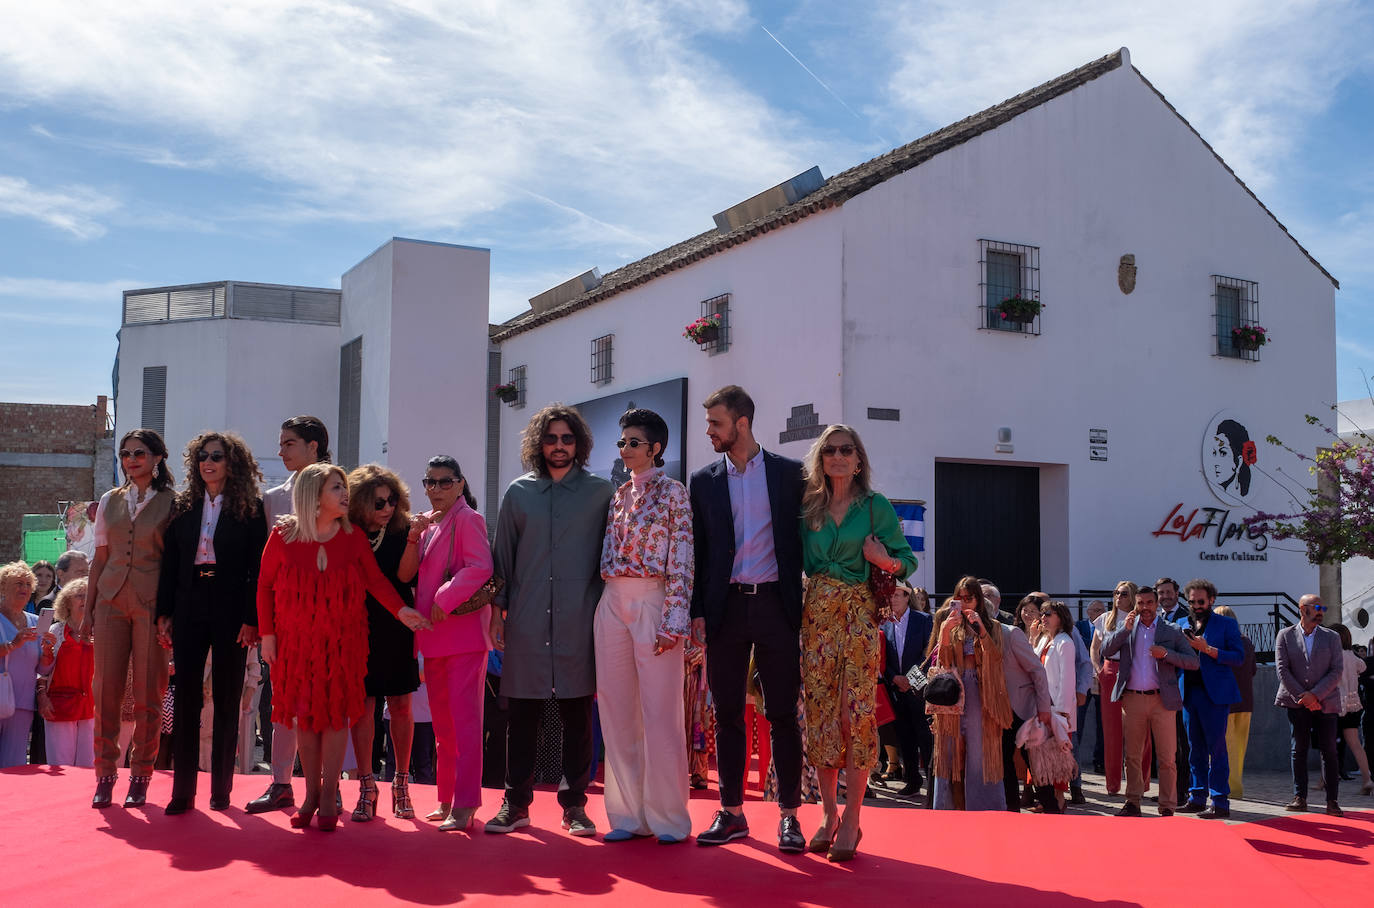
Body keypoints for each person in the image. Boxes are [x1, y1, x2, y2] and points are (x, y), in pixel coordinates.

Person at [257, 463, 429, 830]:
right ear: (313, 496)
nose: (345, 493)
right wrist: (268, 635)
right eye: (336, 488)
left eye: (343, 487)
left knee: (336, 716)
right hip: (296, 643)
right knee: (306, 717)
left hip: (344, 641)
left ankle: (331, 796)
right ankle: (311, 796)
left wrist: (402, 612)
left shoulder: (351, 537)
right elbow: (264, 586)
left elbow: (376, 581)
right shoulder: (283, 535)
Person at [688, 386, 808, 852]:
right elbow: (699, 551)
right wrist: (698, 610)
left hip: (778, 606)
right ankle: (732, 812)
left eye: (715, 423)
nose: (709, 432)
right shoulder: (703, 481)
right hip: (726, 609)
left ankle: (790, 817)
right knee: (726, 715)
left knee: (782, 715)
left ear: (741, 423)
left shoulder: (790, 475)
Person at [485, 404, 612, 837]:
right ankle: (515, 803)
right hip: (526, 618)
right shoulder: (518, 493)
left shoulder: (600, 492)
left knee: (579, 716)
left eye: (567, 438)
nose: (559, 446)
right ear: (538, 443)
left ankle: (575, 805)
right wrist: (497, 613)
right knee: (521, 716)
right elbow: (502, 558)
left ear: (579, 443)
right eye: (551, 438)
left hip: (581, 617)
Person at [798, 424, 916, 861]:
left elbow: (907, 561)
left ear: (859, 458)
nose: (838, 456)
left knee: (855, 715)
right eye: (830, 450)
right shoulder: (808, 505)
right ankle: (828, 814)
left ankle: (853, 818)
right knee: (823, 717)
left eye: (847, 449)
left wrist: (879, 558)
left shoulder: (874, 506)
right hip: (817, 621)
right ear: (821, 458)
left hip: (859, 619)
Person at [595, 408, 695, 844]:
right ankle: (626, 817)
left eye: (633, 442)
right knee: (616, 712)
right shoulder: (617, 495)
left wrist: (674, 619)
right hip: (612, 600)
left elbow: (683, 558)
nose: (624, 449)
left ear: (655, 448)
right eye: (621, 442)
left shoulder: (674, 493)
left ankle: (669, 819)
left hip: (655, 601)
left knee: (661, 714)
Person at [158, 432, 268, 815]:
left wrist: (252, 618)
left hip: (231, 608)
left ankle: (221, 791)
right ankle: (182, 793)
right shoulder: (184, 505)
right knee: (187, 699)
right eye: (203, 456)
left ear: (230, 462)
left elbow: (258, 568)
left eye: (217, 456)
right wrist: (165, 614)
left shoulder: (250, 508)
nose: (208, 462)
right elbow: (170, 565)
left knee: (226, 701)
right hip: (189, 605)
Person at [247, 415, 333, 815]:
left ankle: (330, 785)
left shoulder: (340, 489)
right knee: (285, 701)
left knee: (331, 701)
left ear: (314, 446)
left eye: (289, 443)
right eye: (280, 443)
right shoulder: (272, 499)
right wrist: (264, 625)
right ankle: (282, 782)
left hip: (334, 616)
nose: (280, 451)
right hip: (286, 617)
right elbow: (264, 572)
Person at [87, 428, 176, 808]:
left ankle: (140, 775)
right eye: (125, 453)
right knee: (105, 689)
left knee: (148, 692)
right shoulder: (110, 500)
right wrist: (89, 609)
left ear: (157, 457)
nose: (131, 459)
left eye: (140, 452)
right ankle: (105, 774)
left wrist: (170, 612)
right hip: (110, 600)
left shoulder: (175, 501)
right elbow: (100, 558)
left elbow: (175, 564)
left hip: (152, 604)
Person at [405, 455, 494, 832]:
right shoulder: (426, 524)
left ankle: (467, 802)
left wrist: (444, 597)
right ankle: (447, 798)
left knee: (465, 723)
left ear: (460, 484)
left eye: (444, 482)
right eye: (429, 482)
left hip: (462, 637)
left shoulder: (469, 519)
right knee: (443, 725)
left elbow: (481, 566)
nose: (436, 489)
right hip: (433, 638)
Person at [341, 464, 422, 821]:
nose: (387, 507)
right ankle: (366, 785)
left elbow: (406, 576)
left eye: (392, 500)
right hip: (357, 624)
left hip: (397, 621)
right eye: (378, 502)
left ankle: (401, 783)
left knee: (401, 706)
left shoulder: (403, 528)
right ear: (360, 502)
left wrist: (413, 538)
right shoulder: (346, 531)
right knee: (362, 707)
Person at [1099, 585, 1197, 817]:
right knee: (1131, 755)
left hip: (1162, 701)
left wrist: (1166, 654)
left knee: (1167, 757)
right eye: (1140, 603)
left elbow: (1193, 662)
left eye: (1149, 603)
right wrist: (1124, 629)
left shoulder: (1171, 630)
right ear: (1136, 605)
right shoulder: (1127, 628)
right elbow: (1105, 649)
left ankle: (1167, 806)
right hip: (1132, 699)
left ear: (1156, 604)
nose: (1145, 608)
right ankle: (1132, 802)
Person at [931, 581, 1012, 813]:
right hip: (952, 690)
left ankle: (985, 809)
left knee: (980, 754)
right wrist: (945, 632)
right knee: (948, 752)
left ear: (978, 600)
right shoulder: (948, 624)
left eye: (969, 598)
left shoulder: (993, 626)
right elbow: (941, 662)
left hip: (980, 690)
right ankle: (946, 809)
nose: (964, 602)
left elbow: (996, 659)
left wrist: (982, 631)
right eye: (960, 597)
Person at [1177, 578, 1243, 818]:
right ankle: (1196, 797)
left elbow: (1238, 657)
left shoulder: (1226, 624)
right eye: (1192, 601)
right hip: (1188, 693)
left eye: (1201, 601)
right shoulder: (1180, 622)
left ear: (1212, 600)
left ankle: (1220, 801)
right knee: (1194, 748)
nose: (1196, 605)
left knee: (1216, 749)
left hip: (1215, 695)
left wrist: (1209, 650)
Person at [1274, 594, 1344, 816]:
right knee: (1299, 749)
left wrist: (1315, 695)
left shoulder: (1332, 637)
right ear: (1303, 609)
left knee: (1329, 751)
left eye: (1323, 606)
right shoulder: (1285, 635)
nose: (1321, 611)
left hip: (1326, 701)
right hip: (1297, 702)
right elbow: (1282, 670)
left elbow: (1336, 670)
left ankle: (1332, 801)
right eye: (1317, 607)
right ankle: (1299, 797)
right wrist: (1303, 697)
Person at [998, 592, 1056, 814]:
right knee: (1004, 761)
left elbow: (1037, 671)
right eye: (1025, 609)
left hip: (1025, 708)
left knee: (1035, 762)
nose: (1027, 613)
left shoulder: (1010, 634)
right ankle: (1011, 810)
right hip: (1000, 708)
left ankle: (1051, 807)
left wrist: (1043, 709)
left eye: (1033, 610)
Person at [1091, 581, 1151, 797]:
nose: (1118, 597)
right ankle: (1113, 784)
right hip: (1110, 671)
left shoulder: (1140, 619)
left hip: (1134, 671)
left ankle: (1141, 783)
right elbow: (1095, 648)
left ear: (1132, 596)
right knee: (1111, 730)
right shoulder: (1105, 619)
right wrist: (1098, 670)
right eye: (1116, 592)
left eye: (1124, 593)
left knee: (1140, 729)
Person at [881, 582, 934, 799]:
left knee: (925, 735)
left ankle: (933, 784)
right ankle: (912, 779)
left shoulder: (923, 620)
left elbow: (929, 651)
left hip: (919, 688)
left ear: (906, 596)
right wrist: (895, 678)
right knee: (905, 737)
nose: (892, 599)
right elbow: (883, 656)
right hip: (896, 688)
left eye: (897, 595)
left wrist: (912, 679)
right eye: (890, 595)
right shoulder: (884, 624)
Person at [37, 578, 95, 766]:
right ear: (67, 602)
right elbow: (41, 672)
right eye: (79, 595)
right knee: (61, 768)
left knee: (89, 769)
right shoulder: (55, 630)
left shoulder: (101, 632)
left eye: (89, 595)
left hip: (93, 709)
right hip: (60, 707)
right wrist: (42, 697)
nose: (85, 599)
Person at [1, 562, 54, 766]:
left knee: (14, 764)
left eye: (27, 584)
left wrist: (48, 653)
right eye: (17, 583)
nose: (24, 588)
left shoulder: (36, 621)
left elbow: (42, 669)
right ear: (3, 587)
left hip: (22, 703)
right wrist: (14, 643)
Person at [1031, 600, 1078, 811]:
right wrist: (1033, 636)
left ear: (1061, 617)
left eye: (1048, 613)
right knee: (1044, 756)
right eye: (1042, 613)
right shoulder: (1044, 641)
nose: (1043, 617)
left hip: (1057, 709)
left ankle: (1059, 798)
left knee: (1058, 756)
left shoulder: (1065, 642)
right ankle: (1047, 798)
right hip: (1043, 707)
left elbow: (1068, 679)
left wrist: (1061, 711)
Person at [1212, 604, 1256, 799]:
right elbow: (1253, 670)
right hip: (1245, 701)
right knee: (1239, 747)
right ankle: (1236, 788)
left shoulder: (1217, 644)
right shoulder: (1246, 642)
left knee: (1222, 747)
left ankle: (1224, 787)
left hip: (1223, 702)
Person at [1333, 624, 1372, 796]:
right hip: (1353, 704)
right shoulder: (1353, 657)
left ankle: (1325, 780)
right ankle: (1367, 779)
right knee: (1355, 744)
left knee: (1329, 744)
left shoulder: (1333, 657)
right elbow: (1362, 668)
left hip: (1335, 704)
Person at [1077, 599, 1105, 773]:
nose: (1099, 613)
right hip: (1084, 680)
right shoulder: (1079, 626)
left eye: (1102, 610)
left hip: (1102, 677)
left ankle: (1100, 761)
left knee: (1102, 722)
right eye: (1095, 610)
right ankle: (1075, 759)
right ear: (1088, 613)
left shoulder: (1107, 625)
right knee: (1078, 720)